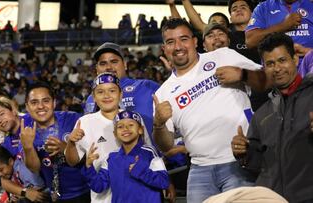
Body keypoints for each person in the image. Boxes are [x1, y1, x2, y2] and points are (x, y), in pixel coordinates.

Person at [153, 18, 262, 203]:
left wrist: (243, 75)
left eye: (184, 39)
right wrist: (159, 124)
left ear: (195, 42)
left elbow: (266, 80)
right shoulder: (162, 93)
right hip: (199, 170)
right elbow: (166, 145)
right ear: (164, 48)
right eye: (171, 42)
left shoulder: (223, 56)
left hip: (240, 161)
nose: (178, 46)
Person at [231, 32, 313, 202]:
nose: (277, 68)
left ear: (295, 60)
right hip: (272, 198)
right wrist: (244, 152)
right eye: (270, 63)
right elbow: (257, 164)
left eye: (282, 60)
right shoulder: (262, 114)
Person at [66, 73, 150, 202]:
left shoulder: (134, 118)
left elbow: (149, 155)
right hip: (103, 198)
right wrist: (71, 142)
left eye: (112, 90)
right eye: (100, 92)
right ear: (93, 97)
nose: (106, 96)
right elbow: (72, 161)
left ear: (121, 94)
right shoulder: (85, 122)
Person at [21, 82, 90, 203]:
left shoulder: (73, 119)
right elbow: (34, 168)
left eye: (45, 101)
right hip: (55, 196)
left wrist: (66, 148)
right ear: (27, 107)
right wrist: (28, 147)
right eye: (34, 102)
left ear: (53, 103)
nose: (40, 106)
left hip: (87, 190)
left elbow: (91, 156)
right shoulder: (26, 131)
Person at [82, 110, 169, 203]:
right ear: (115, 134)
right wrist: (88, 167)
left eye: (131, 125)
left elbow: (164, 182)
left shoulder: (150, 153)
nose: (125, 128)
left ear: (140, 130)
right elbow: (98, 187)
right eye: (120, 127)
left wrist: (141, 172)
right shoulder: (111, 158)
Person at [84, 42, 160, 142]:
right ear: (97, 69)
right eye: (103, 63)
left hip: (145, 154)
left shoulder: (147, 86)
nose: (108, 67)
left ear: (125, 65)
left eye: (114, 62)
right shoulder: (92, 99)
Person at [245, 0, 313, 56]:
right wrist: (283, 26)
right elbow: (250, 41)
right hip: (275, 68)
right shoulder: (263, 8)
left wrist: (308, 52)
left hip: (308, 67)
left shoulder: (311, 6)